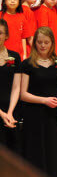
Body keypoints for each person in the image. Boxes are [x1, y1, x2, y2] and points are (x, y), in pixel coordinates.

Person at [19, 27, 57, 177]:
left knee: (53, 152)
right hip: (34, 115)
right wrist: (44, 100)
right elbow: (23, 94)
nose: (43, 45)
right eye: (39, 42)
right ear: (34, 43)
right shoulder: (27, 64)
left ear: (52, 43)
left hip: (53, 115)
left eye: (46, 42)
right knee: (36, 151)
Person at [0, 19, 21, 151]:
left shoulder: (15, 56)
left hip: (11, 112)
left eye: (0, 33)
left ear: (6, 35)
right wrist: (2, 114)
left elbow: (16, 87)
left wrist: (10, 112)